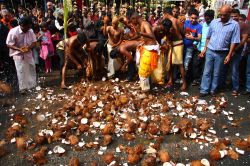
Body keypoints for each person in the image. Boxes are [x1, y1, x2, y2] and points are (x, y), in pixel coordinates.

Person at [199, 5, 240, 97]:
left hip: (222, 53)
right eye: (220, 14)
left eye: (224, 15)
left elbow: (234, 41)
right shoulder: (214, 22)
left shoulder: (234, 25)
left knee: (217, 73)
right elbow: (208, 37)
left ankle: (213, 90)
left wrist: (229, 55)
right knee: (207, 72)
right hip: (210, 50)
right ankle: (204, 90)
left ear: (229, 13)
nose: (222, 17)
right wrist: (205, 49)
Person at [219, 9, 249, 96]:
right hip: (225, 50)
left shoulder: (243, 25)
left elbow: (243, 40)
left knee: (234, 70)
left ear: (239, 16)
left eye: (235, 16)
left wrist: (235, 50)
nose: (233, 18)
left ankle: (235, 88)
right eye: (231, 16)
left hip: (237, 52)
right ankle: (223, 86)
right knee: (224, 69)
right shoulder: (229, 24)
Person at [6, 17, 37, 93]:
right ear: (22, 25)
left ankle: (32, 86)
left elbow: (34, 42)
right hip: (18, 54)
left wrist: (29, 48)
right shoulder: (13, 32)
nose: (29, 28)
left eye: (29, 26)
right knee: (21, 71)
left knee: (31, 68)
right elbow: (8, 44)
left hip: (28, 54)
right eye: (27, 27)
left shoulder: (30, 31)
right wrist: (18, 49)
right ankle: (23, 89)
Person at [129, 12, 159, 91]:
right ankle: (142, 86)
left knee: (144, 70)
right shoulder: (141, 24)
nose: (133, 24)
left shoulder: (145, 24)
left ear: (135, 19)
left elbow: (151, 35)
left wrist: (140, 33)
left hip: (150, 49)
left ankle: (145, 90)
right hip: (145, 47)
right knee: (140, 67)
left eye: (133, 22)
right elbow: (142, 36)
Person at [163, 7, 186, 90]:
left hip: (178, 43)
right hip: (173, 43)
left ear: (166, 14)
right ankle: (170, 80)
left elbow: (181, 33)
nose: (163, 16)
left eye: (163, 14)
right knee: (171, 63)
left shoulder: (175, 21)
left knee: (180, 65)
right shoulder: (174, 20)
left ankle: (184, 83)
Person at [192, 9, 215, 86]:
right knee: (196, 65)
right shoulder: (202, 25)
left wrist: (205, 50)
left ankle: (202, 81)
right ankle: (196, 79)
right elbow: (199, 35)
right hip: (199, 48)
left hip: (209, 49)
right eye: (206, 18)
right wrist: (195, 43)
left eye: (209, 19)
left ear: (212, 18)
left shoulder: (214, 25)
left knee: (205, 67)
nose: (207, 20)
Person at [183, 9, 202, 82]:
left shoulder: (199, 26)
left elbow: (199, 38)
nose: (193, 20)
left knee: (186, 63)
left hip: (190, 48)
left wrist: (193, 38)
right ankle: (181, 77)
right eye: (192, 18)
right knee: (181, 62)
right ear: (189, 17)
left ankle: (185, 79)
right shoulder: (185, 23)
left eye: (195, 18)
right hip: (182, 45)